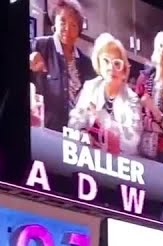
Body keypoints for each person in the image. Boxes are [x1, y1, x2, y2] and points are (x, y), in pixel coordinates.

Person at [67, 33, 142, 157]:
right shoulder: (90, 87)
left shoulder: (132, 99)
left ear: (124, 71)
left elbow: (131, 142)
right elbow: (74, 123)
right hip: (90, 157)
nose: (111, 68)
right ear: (99, 66)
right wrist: (82, 133)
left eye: (117, 63)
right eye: (106, 61)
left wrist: (102, 118)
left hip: (122, 162)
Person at [29, 0, 93, 133]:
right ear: (55, 22)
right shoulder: (39, 46)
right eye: (63, 21)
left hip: (75, 134)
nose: (67, 28)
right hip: (45, 130)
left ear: (79, 30)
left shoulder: (87, 64)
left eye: (73, 25)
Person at [134, 31, 163, 166]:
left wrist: (154, 110)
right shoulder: (143, 80)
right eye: (160, 46)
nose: (162, 51)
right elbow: (135, 116)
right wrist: (155, 125)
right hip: (140, 153)